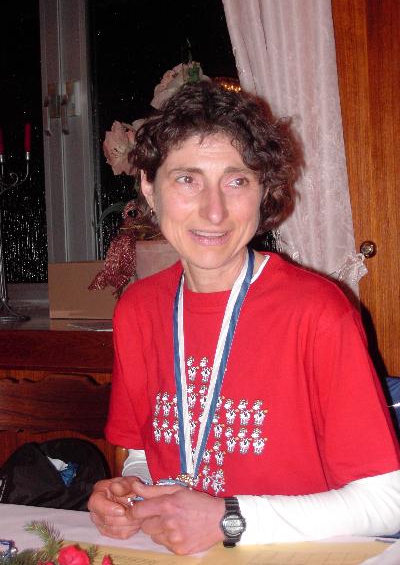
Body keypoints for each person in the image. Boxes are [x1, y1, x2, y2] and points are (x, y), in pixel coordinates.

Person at [88, 81, 400, 555]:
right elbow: (144, 454)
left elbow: (388, 501)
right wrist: (133, 493)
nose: (214, 212)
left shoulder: (318, 312)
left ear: (263, 191)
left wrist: (229, 519)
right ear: (150, 187)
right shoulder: (137, 309)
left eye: (237, 181)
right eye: (187, 179)